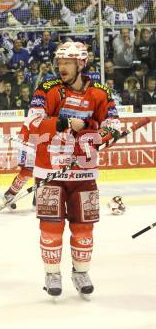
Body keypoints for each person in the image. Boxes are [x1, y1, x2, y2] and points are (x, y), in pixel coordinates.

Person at [22, 42, 120, 297]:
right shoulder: (47, 89)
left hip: (84, 174)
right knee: (50, 226)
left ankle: (81, 271)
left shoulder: (100, 92)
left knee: (84, 227)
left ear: (81, 64)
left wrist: (94, 131)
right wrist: (64, 121)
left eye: (67, 63)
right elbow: (32, 122)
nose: (61, 67)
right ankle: (52, 273)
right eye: (60, 62)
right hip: (50, 172)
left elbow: (113, 126)